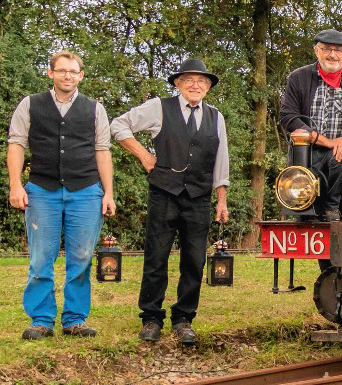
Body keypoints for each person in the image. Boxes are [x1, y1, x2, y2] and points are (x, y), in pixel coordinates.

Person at [111, 57, 230, 345]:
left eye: (201, 81)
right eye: (189, 80)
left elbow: (221, 160)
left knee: (194, 261)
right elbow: (118, 125)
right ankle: (151, 318)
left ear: (208, 87)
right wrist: (143, 155)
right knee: (156, 257)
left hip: (198, 197)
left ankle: (184, 318)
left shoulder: (216, 117)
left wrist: (221, 200)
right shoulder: (158, 107)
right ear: (178, 83)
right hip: (164, 193)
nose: (195, 85)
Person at [8, 51, 116, 340]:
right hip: (42, 189)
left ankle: (75, 319)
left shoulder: (95, 109)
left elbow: (102, 151)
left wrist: (108, 193)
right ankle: (41, 320)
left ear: (81, 75)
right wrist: (16, 185)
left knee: (81, 257)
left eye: (73, 71)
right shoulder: (30, 104)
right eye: (61, 70)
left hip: (86, 190)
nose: (67, 75)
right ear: (50, 73)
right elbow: (16, 144)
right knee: (41, 258)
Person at [280, 29, 342, 221]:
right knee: (301, 188)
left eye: (338, 50)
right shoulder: (298, 77)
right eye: (327, 49)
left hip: (338, 151)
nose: (332, 55)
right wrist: (327, 142)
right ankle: (304, 211)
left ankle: (332, 207)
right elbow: (288, 117)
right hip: (306, 150)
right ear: (316, 51)